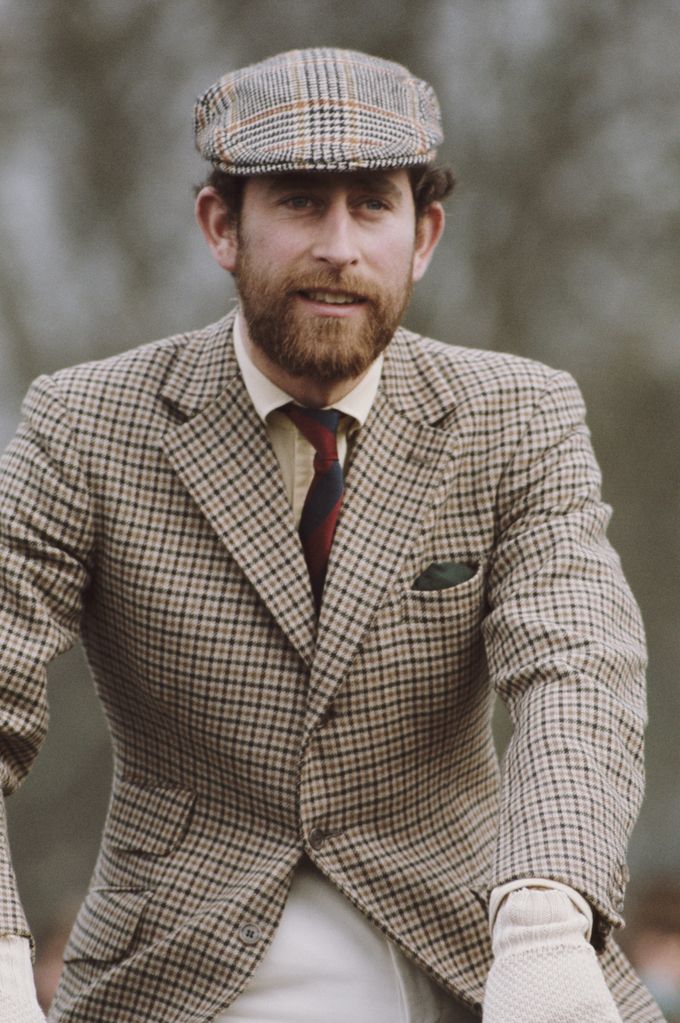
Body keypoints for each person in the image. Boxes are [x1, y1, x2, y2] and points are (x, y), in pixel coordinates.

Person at [0, 47, 666, 1023]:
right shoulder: (85, 424)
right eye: (301, 202)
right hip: (166, 974)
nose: (339, 246)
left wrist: (543, 918)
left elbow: (578, 672)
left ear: (424, 233)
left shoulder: (518, 418)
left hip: (472, 952)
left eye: (371, 206)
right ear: (220, 226)